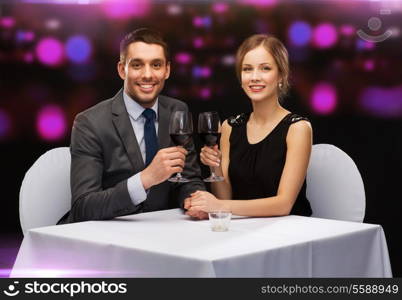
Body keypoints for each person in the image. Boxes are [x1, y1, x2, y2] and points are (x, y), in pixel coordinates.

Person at [58, 28, 205, 224]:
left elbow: (188, 178)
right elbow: (83, 206)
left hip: (164, 235)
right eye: (137, 65)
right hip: (105, 240)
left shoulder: (177, 110)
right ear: (122, 69)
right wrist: (145, 179)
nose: (147, 75)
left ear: (167, 70)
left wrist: (194, 199)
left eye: (156, 65)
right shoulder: (89, 123)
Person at [185, 34, 312, 217]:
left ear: (281, 75)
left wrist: (217, 205)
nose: (254, 77)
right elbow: (225, 197)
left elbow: (283, 205)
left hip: (289, 232)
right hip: (243, 229)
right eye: (247, 69)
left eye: (265, 68)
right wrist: (215, 166)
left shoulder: (298, 128)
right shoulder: (230, 126)